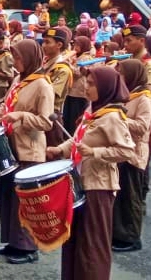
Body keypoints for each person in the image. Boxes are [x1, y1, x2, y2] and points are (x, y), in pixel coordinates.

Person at [46, 66, 135, 280]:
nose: (86, 87)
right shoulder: (92, 111)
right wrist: (60, 149)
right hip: (79, 182)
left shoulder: (112, 116)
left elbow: (126, 150)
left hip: (99, 186)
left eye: (92, 84)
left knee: (92, 244)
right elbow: (78, 139)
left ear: (105, 87)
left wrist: (95, 152)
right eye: (86, 82)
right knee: (75, 240)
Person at [0, 39, 52, 264]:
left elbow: (46, 122)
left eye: (18, 58)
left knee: (26, 202)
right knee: (8, 196)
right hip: (9, 146)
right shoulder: (20, 80)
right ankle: (12, 240)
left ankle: (28, 248)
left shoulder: (42, 84)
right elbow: (6, 106)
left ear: (29, 58)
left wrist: (21, 117)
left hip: (29, 150)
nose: (15, 62)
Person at [111, 59, 151, 253]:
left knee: (131, 198)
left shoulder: (144, 98)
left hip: (134, 152)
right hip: (120, 149)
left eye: (122, 74)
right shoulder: (126, 94)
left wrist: (118, 117)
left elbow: (143, 127)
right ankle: (118, 233)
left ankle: (131, 237)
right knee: (119, 197)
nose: (119, 78)